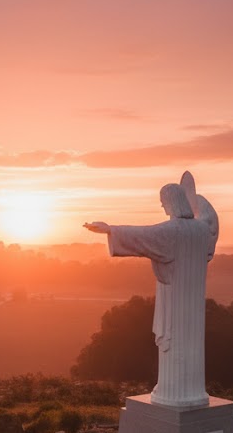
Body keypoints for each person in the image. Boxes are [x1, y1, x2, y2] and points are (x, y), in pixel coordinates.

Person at [85, 171, 219, 408]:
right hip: (194, 305)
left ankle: (173, 392)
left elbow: (142, 236)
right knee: (191, 346)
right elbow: (210, 221)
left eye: (163, 203)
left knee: (174, 343)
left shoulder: (172, 231)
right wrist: (198, 201)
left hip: (174, 301)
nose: (163, 208)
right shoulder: (200, 230)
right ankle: (192, 390)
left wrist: (110, 230)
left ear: (171, 203)